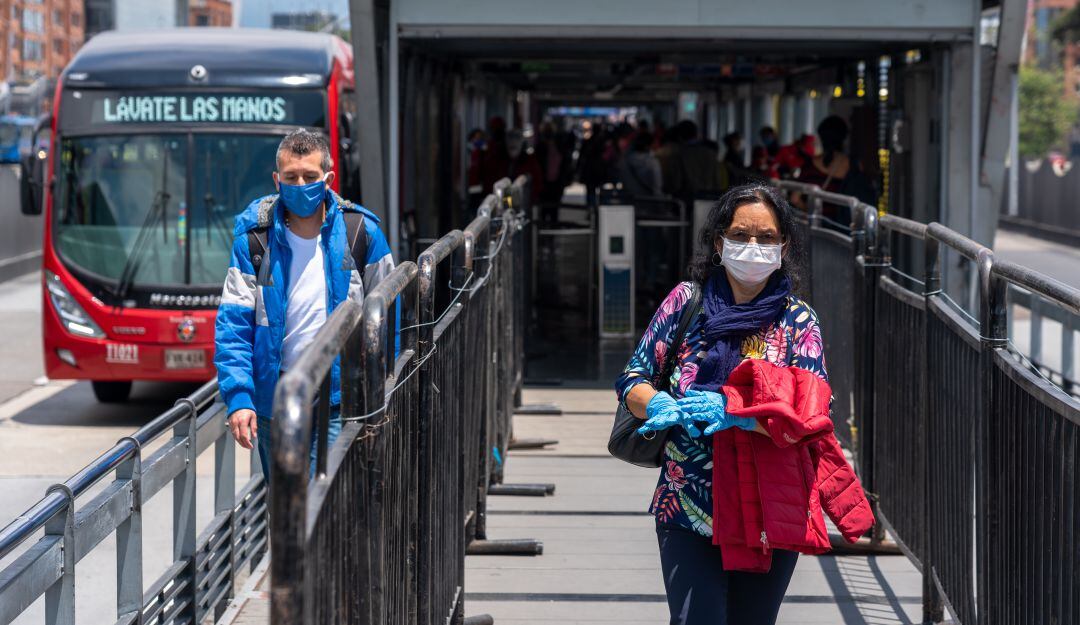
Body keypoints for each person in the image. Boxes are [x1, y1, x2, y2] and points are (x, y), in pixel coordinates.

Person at [614, 184, 831, 624]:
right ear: (719, 242)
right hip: (687, 500)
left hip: (768, 507)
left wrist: (738, 416)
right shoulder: (685, 303)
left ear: (784, 246)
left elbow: (810, 416)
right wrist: (658, 404)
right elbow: (632, 377)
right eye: (741, 234)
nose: (753, 247)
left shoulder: (799, 322)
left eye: (767, 237)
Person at [215, 128, 395, 479]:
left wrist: (386, 390)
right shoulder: (254, 240)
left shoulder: (362, 233)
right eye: (291, 177)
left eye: (310, 177)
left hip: (341, 399)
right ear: (276, 180)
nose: (300, 185)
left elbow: (390, 316)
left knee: (323, 503)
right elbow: (233, 327)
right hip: (275, 401)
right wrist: (239, 398)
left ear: (328, 178)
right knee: (285, 508)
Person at [616, 130, 663, 197]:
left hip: (630, 201)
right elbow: (657, 186)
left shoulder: (625, 161)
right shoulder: (652, 162)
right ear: (648, 145)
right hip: (651, 201)